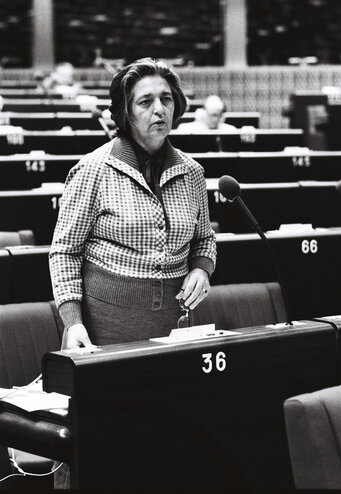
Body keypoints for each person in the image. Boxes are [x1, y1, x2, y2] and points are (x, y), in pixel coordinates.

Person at [49, 57, 216, 350]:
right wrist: (72, 321)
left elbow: (204, 239)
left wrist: (202, 269)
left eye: (166, 99)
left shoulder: (192, 172)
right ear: (126, 112)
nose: (159, 109)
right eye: (145, 102)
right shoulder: (93, 169)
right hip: (101, 328)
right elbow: (64, 252)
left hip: (173, 324)